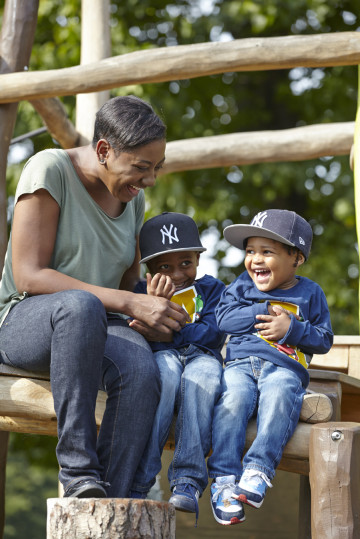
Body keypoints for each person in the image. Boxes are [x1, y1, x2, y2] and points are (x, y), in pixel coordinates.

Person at [0, 96, 190, 499]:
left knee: (140, 368)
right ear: (104, 150)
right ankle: (78, 473)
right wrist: (127, 303)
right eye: (142, 167)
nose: (150, 179)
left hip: (96, 323)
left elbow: (128, 286)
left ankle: (112, 500)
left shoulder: (133, 198)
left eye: (156, 168)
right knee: (80, 306)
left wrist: (154, 312)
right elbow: (29, 276)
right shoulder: (50, 168)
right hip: (22, 323)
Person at [207, 209, 333, 526]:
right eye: (250, 251)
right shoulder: (240, 287)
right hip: (239, 366)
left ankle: (257, 471)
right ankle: (223, 480)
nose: (255, 260)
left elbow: (323, 340)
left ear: (297, 258)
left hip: (285, 368)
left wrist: (291, 329)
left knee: (279, 393)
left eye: (267, 252)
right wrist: (261, 309)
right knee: (232, 400)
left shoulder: (311, 293)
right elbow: (224, 320)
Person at [129, 212, 226, 523]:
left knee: (203, 379)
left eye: (186, 263)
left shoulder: (212, 290)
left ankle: (187, 481)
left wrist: (168, 328)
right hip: (166, 359)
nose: (178, 273)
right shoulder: (140, 294)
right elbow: (144, 340)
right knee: (165, 375)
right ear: (149, 270)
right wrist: (154, 308)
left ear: (198, 258)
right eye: (164, 267)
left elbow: (213, 334)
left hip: (203, 358)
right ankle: (140, 480)